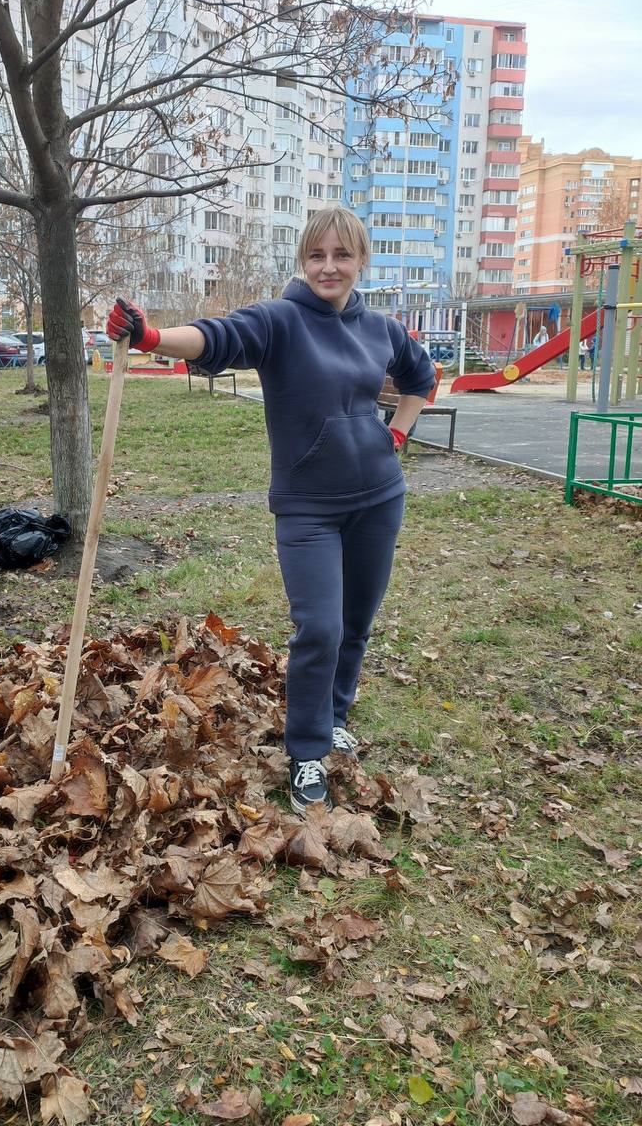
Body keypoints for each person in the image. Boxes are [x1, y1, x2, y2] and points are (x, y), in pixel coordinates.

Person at [106, 207, 436, 816]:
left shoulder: (382, 329)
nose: (329, 267)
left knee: (356, 624)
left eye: (342, 255)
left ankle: (335, 717)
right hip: (308, 508)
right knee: (320, 628)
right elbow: (217, 337)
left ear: (361, 259)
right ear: (302, 261)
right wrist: (152, 337)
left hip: (379, 498)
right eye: (317, 256)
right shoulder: (280, 321)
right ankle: (307, 750)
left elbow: (421, 377)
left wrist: (397, 434)